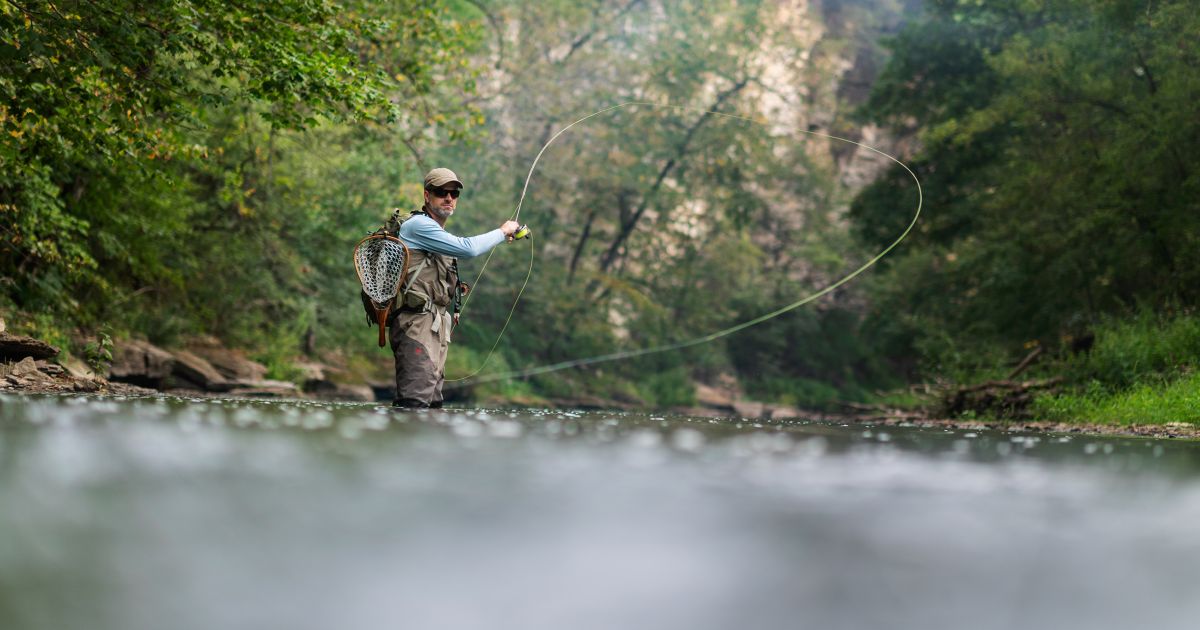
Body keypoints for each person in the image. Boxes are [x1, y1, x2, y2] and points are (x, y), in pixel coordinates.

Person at [380, 167, 520, 408]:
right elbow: (468, 248)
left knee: (432, 405)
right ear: (427, 196)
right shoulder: (418, 226)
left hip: (435, 326)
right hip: (416, 325)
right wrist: (502, 231)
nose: (449, 198)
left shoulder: (437, 233)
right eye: (441, 192)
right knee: (414, 405)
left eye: (454, 193)